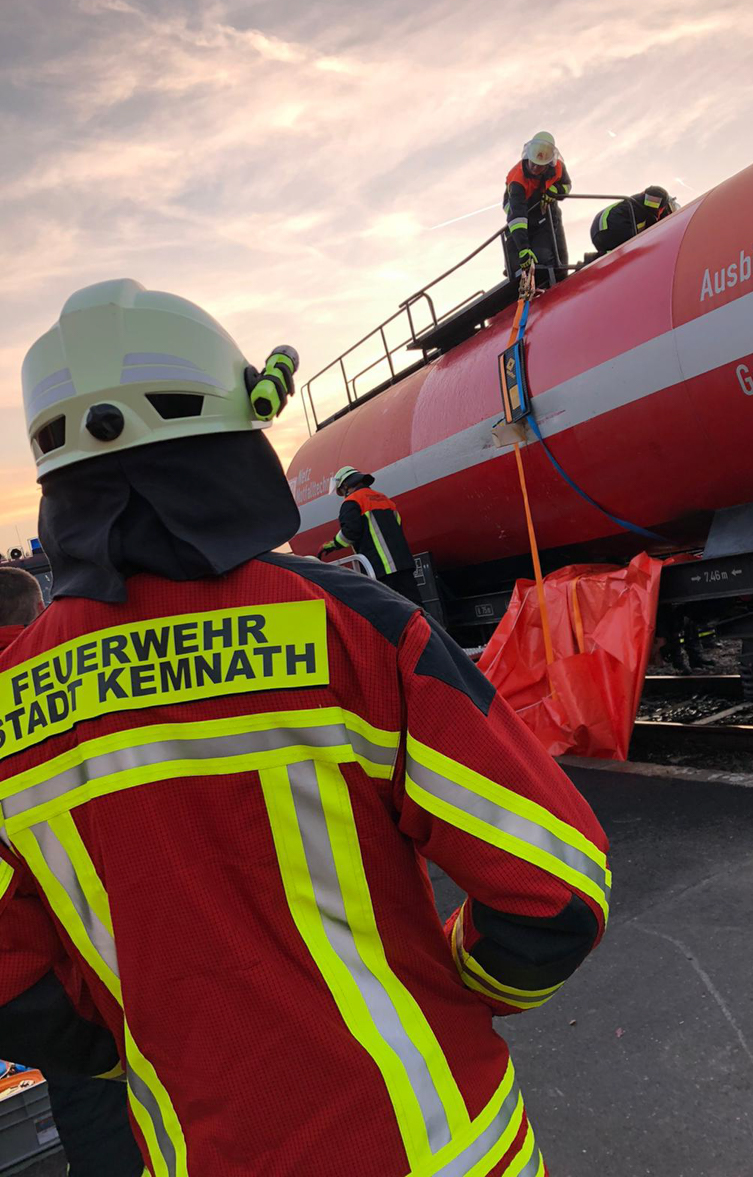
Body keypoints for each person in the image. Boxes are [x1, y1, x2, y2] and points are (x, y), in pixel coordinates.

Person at [0, 277, 610, 1176]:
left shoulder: (12, 702)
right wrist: (455, 984)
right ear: (232, 431)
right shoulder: (354, 628)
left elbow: (16, 990)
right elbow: (555, 890)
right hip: (439, 1147)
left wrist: (137, 1042)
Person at [0, 566, 145, 1177]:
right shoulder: (86, 679)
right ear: (37, 613)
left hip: (79, 1013)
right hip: (154, 989)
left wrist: (98, 1050)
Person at [319, 464, 422, 604]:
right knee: (414, 607)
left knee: (390, 611)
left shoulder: (352, 502)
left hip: (380, 569)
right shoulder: (384, 498)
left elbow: (350, 533)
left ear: (346, 485)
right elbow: (397, 523)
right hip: (403, 564)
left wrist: (331, 545)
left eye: (342, 491)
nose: (343, 494)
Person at [503, 131, 571, 283]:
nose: (534, 168)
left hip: (545, 212)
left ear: (548, 164)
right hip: (520, 210)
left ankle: (558, 274)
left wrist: (555, 191)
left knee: (551, 255)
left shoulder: (558, 168)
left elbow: (566, 186)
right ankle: (517, 270)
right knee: (519, 255)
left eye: (539, 166)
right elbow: (516, 216)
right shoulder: (518, 180)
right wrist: (523, 248)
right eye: (532, 163)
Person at [590, 185, 677, 256]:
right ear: (665, 207)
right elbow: (654, 193)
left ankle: (596, 257)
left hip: (600, 233)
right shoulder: (659, 197)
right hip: (611, 225)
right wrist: (656, 214)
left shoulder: (641, 215)